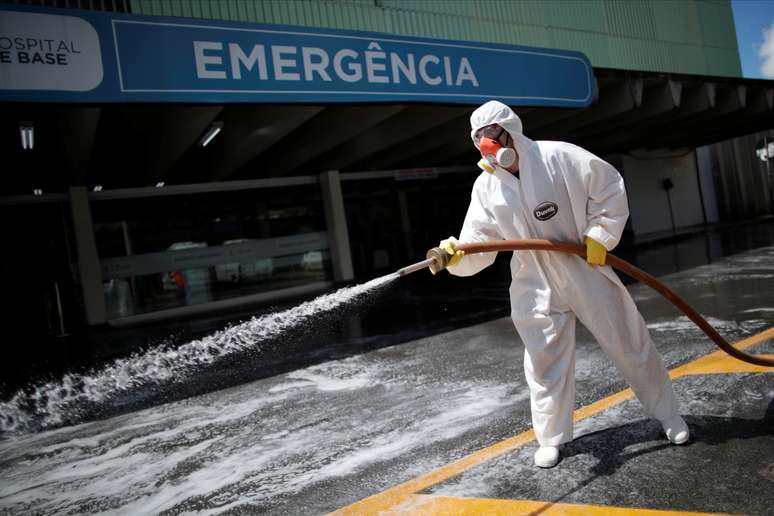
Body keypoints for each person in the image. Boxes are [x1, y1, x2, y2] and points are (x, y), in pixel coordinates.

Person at [438, 100, 688, 468]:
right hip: (533, 280)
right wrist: (458, 255)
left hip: (583, 266)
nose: (486, 144)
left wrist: (600, 234)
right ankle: (552, 439)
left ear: (511, 130)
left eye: (491, 134)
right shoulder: (487, 187)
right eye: (479, 138)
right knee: (544, 363)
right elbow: (479, 243)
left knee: (629, 342)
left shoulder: (558, 157)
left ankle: (669, 415)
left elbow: (609, 187)